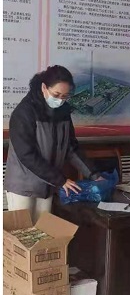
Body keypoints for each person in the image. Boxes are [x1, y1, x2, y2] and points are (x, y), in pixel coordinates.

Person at [4, 65, 100, 221]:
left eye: (65, 96)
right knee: (22, 232)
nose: (60, 100)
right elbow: (26, 155)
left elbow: (71, 148)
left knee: (44, 231)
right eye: (56, 94)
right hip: (23, 186)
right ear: (44, 87)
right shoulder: (24, 112)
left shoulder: (63, 112)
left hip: (48, 185)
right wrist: (60, 180)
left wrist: (93, 174)